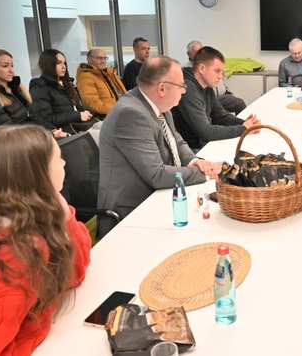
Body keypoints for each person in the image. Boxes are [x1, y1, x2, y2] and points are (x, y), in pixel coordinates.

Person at [0, 124, 91, 355]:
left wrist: (64, 218)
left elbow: (75, 273)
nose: (64, 163)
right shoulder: (11, 258)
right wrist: (36, 327)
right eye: (58, 158)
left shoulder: (28, 219)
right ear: (37, 175)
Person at [97, 55, 222, 230]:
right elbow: (157, 175)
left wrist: (196, 162)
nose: (184, 91)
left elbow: (177, 142)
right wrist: (206, 174)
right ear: (162, 88)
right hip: (132, 214)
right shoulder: (131, 114)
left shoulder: (158, 105)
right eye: (181, 86)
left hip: (158, 197)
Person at [173, 46, 261, 151]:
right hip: (191, 149)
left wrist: (243, 123)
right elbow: (206, 132)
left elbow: (220, 116)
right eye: (217, 71)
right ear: (202, 68)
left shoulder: (207, 86)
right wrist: (243, 129)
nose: (220, 76)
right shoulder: (188, 90)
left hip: (202, 143)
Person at [0, 48, 67, 139]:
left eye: (12, 65)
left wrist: (52, 129)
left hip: (31, 138)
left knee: (70, 142)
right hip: (15, 146)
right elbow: (9, 132)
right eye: (5, 66)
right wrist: (48, 136)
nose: (11, 70)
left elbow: (33, 115)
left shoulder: (14, 88)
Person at [30, 48, 96, 136]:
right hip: (66, 131)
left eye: (64, 63)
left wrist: (87, 111)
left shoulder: (68, 84)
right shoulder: (40, 87)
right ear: (48, 64)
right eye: (59, 63)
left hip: (81, 126)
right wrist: (78, 115)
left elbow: (79, 107)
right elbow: (47, 118)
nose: (64, 66)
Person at [186, 40, 246, 114]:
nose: (200, 54)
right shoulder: (188, 70)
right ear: (188, 54)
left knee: (239, 103)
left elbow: (223, 73)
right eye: (196, 52)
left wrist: (225, 86)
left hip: (223, 95)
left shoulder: (209, 62)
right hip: (210, 99)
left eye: (202, 51)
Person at [76, 48, 126, 118]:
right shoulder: (85, 77)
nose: (103, 61)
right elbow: (92, 104)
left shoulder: (110, 74)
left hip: (121, 112)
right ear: (89, 60)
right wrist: (117, 110)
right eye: (99, 58)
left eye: (105, 58)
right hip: (106, 117)